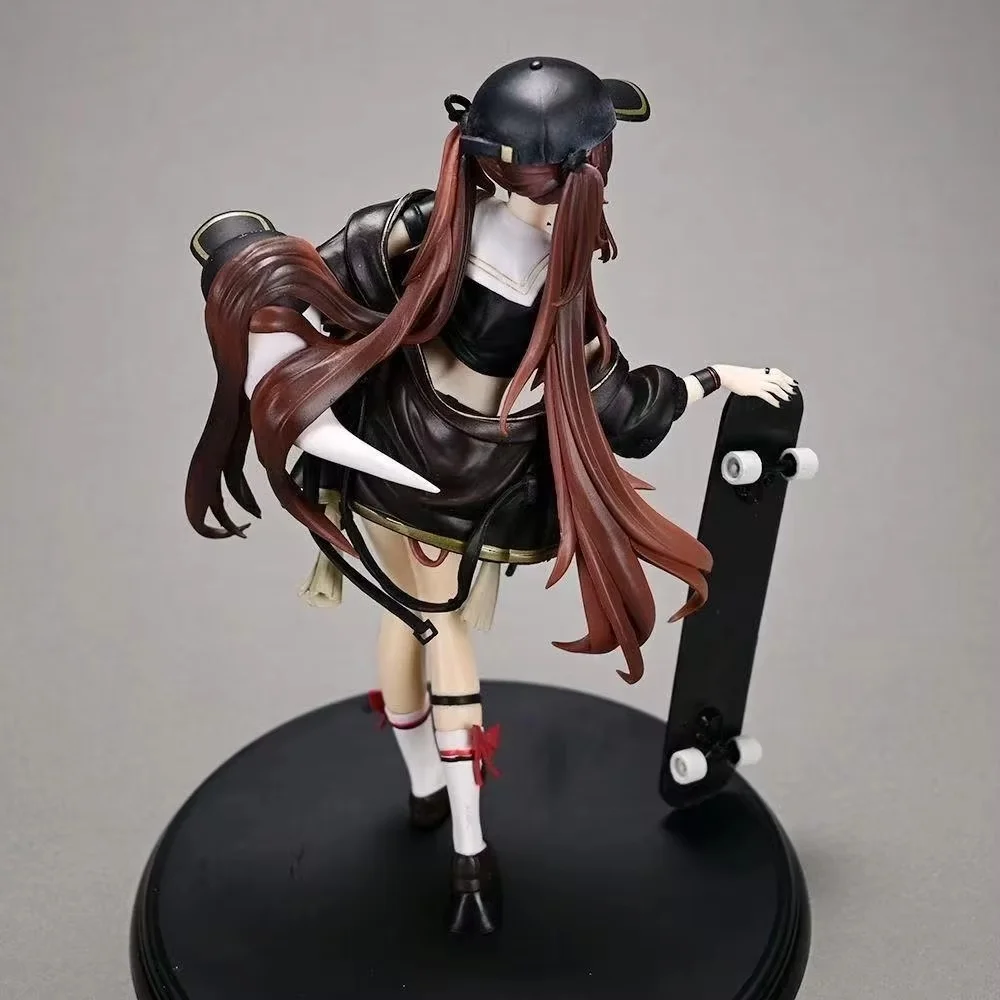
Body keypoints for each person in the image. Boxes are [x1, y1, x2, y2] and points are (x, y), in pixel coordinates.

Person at [185, 56, 797, 934]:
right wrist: (712, 379)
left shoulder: (424, 222)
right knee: (441, 632)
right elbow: (621, 409)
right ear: (585, 169)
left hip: (383, 448)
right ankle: (469, 849)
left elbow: (321, 280)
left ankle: (425, 791)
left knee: (407, 624)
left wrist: (269, 321)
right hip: (454, 484)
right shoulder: (546, 276)